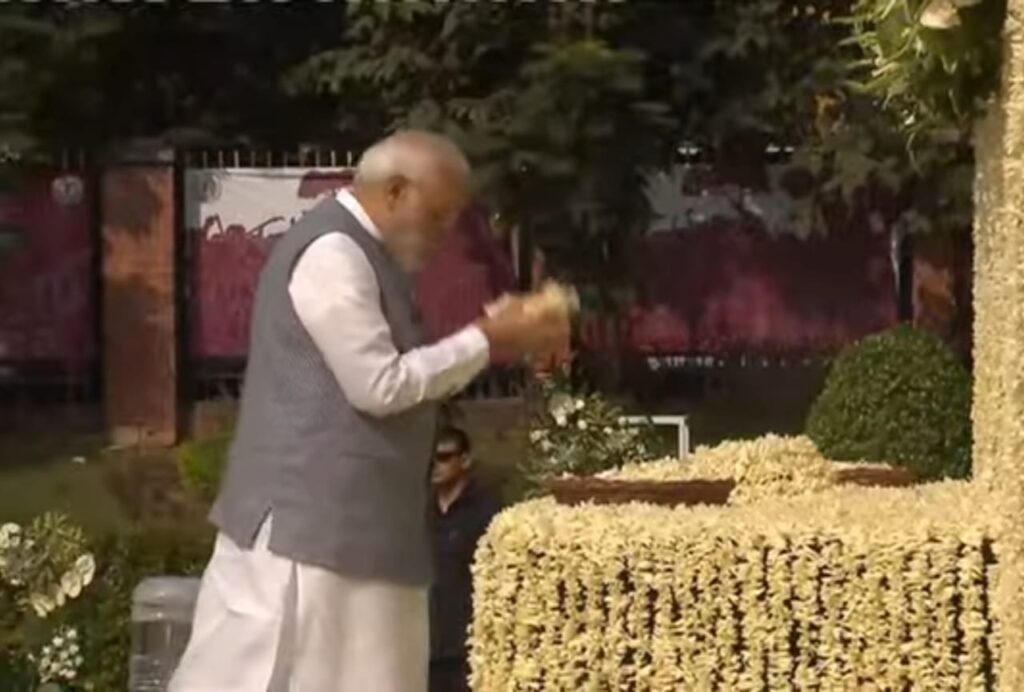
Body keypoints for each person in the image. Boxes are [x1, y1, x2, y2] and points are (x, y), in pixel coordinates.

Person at [169, 130, 567, 692]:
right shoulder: (333, 253)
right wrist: (487, 338)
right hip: (308, 537)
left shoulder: (365, 256)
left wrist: (492, 336)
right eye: (438, 216)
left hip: (353, 533)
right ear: (395, 191)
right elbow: (379, 385)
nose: (444, 234)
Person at [428, 426, 500, 692]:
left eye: (444, 457)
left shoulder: (486, 510)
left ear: (465, 460)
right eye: (430, 458)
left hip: (468, 643)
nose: (435, 466)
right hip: (426, 640)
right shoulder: (421, 509)